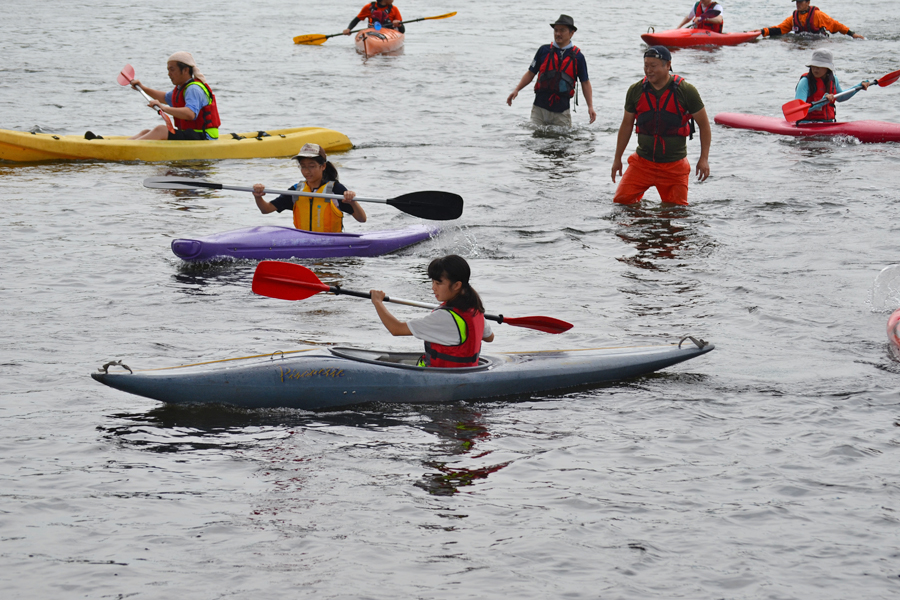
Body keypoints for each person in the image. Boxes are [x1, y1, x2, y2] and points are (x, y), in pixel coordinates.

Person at [610, 46, 711, 207]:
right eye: (646, 65)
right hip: (642, 163)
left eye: (653, 66)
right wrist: (617, 159)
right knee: (621, 203)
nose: (648, 70)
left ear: (668, 65)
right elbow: (626, 125)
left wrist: (703, 159)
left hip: (674, 166)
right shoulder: (636, 90)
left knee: (675, 213)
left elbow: (704, 126)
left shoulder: (686, 91)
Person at [370, 255, 494, 368]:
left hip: (442, 380)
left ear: (457, 286)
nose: (433, 288)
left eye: (438, 283)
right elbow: (489, 337)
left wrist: (377, 302)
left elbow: (396, 329)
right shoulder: (474, 309)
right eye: (433, 282)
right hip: (467, 372)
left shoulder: (444, 318)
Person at [251, 143, 366, 232]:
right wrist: (258, 196)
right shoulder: (296, 190)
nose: (307, 171)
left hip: (331, 243)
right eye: (303, 167)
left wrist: (352, 202)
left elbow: (362, 219)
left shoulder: (336, 189)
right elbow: (266, 209)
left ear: (323, 166)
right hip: (304, 242)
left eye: (312, 166)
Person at [506, 14, 596, 127]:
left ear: (572, 33)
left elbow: (585, 82)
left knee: (563, 142)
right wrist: (517, 89)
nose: (558, 34)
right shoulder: (544, 50)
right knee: (535, 141)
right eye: (556, 30)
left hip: (562, 111)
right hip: (539, 108)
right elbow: (530, 73)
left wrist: (590, 107)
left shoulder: (578, 57)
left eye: (562, 30)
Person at [128, 52, 220, 141]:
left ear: (185, 70)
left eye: (172, 70)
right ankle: (125, 145)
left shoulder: (193, 89)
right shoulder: (181, 88)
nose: (169, 74)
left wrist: (163, 108)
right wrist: (142, 88)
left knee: (161, 130)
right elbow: (164, 97)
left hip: (205, 136)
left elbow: (190, 114)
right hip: (191, 133)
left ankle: (128, 149)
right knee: (146, 132)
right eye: (168, 70)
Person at [794, 49, 870, 121]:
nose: (815, 69)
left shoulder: (833, 80)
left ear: (828, 68)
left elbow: (841, 97)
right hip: (806, 124)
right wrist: (822, 101)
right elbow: (799, 109)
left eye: (819, 66)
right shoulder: (805, 82)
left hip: (828, 123)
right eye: (813, 65)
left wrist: (859, 87)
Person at [760, 0, 864, 39]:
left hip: (818, 41)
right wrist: (763, 31)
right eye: (796, 2)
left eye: (800, 2)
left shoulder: (818, 15)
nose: (798, 4)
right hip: (802, 41)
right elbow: (780, 29)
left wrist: (852, 34)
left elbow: (835, 25)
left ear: (808, 2)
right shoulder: (793, 18)